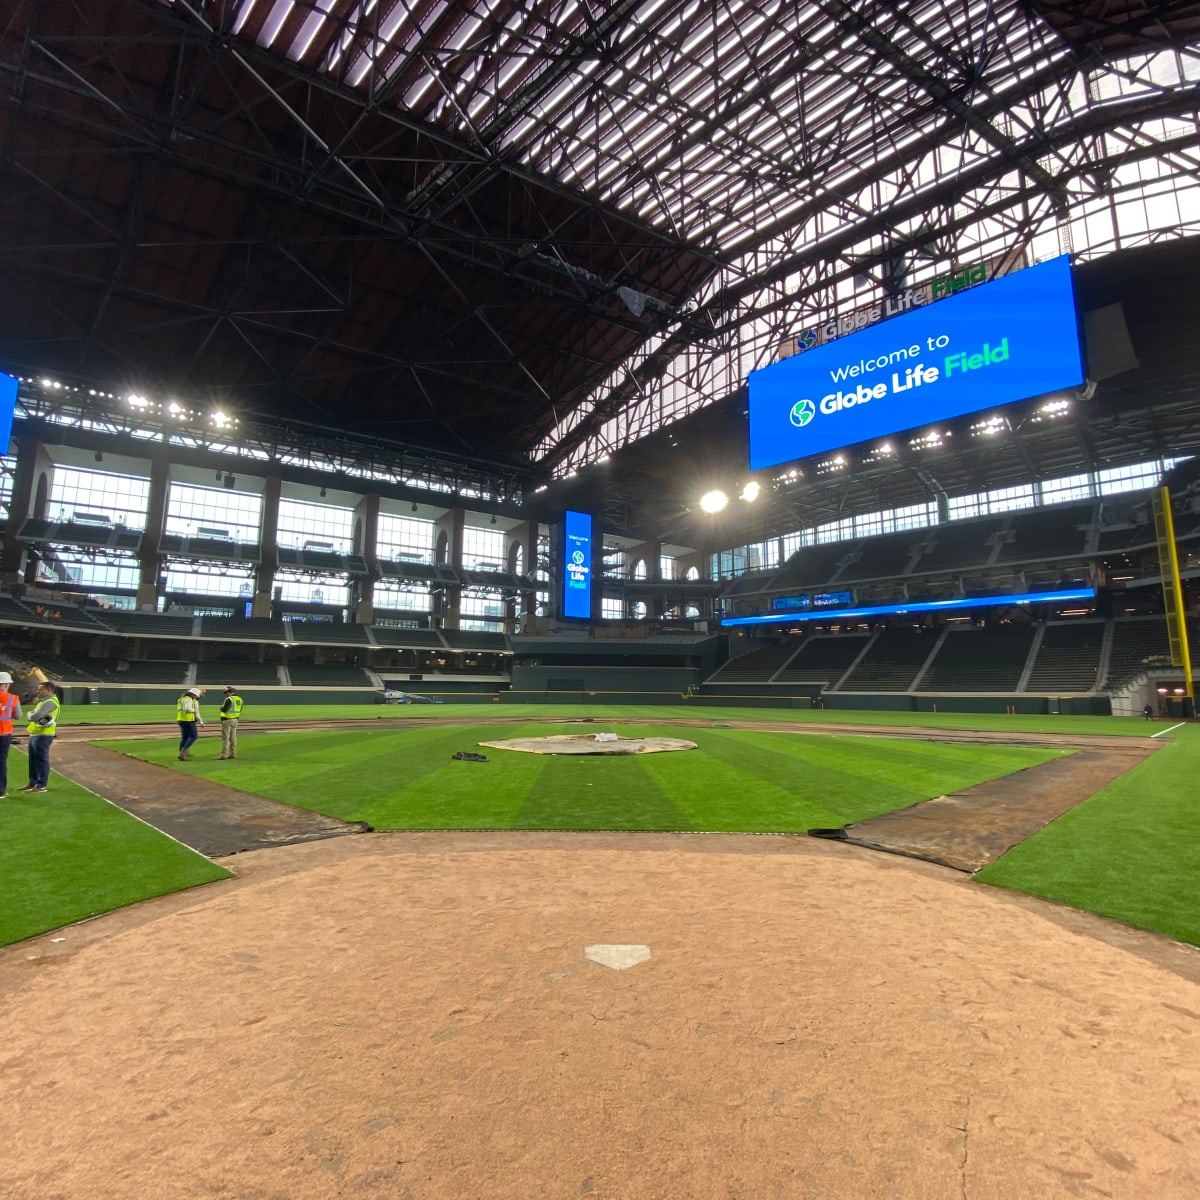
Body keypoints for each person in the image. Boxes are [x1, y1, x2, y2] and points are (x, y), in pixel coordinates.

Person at [21, 681, 59, 794]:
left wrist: (30, 716)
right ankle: (33, 783)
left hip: (43, 734)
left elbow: (35, 716)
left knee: (41, 760)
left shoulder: (50, 702)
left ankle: (41, 785)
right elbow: (35, 715)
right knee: (33, 760)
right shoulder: (43, 702)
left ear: (49, 690)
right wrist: (33, 715)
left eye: (41, 689)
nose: (38, 691)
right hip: (36, 733)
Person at [0, 671, 24, 799]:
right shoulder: (12, 698)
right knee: (1, 763)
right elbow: (18, 716)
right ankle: (1, 791)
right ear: (5, 684)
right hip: (4, 734)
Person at [176, 687, 203, 760]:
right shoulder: (189, 699)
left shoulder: (181, 699)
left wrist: (200, 720)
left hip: (180, 719)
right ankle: (183, 753)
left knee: (185, 737)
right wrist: (194, 711)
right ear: (194, 694)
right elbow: (187, 709)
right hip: (188, 720)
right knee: (193, 736)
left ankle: (182, 753)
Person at [218, 685, 242, 759]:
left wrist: (221, 708)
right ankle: (232, 754)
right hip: (235, 719)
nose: (225, 694)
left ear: (228, 692)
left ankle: (223, 755)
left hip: (227, 719)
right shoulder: (239, 699)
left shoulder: (229, 699)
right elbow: (240, 709)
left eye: (226, 693)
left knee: (226, 738)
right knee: (233, 738)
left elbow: (225, 709)